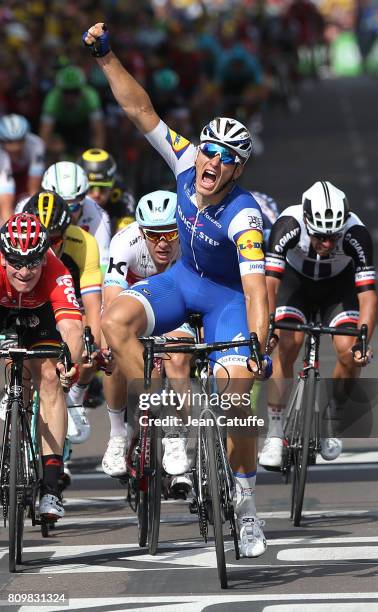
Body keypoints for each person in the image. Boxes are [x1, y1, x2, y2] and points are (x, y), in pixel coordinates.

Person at [83, 22, 272, 558]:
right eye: (210, 150)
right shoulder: (187, 159)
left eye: (225, 158)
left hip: (227, 300)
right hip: (180, 283)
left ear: (236, 170)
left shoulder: (245, 217)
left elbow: (256, 291)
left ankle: (247, 504)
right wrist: (105, 57)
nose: (211, 162)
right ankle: (156, 417)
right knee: (116, 321)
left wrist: (256, 345)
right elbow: (142, 111)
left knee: (237, 402)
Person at [260, 180, 377, 468]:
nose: (327, 244)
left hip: (338, 290)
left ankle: (332, 416)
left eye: (333, 237)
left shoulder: (356, 233)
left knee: (349, 351)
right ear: (307, 222)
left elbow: (368, 296)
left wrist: (364, 343)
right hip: (295, 284)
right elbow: (270, 285)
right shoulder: (288, 223)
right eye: (320, 237)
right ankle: (275, 432)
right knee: (288, 344)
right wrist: (268, 327)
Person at [102, 189, 193, 495]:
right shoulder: (123, 242)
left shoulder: (191, 242)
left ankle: (176, 437)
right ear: (142, 232)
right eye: (154, 235)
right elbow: (112, 302)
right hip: (135, 302)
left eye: (169, 232)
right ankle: (117, 434)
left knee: (179, 358)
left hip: (180, 302)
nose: (163, 242)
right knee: (113, 354)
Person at [0, 212, 83, 519]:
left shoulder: (56, 272)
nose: (24, 271)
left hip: (41, 317)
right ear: (4, 257)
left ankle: (50, 488)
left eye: (32, 262)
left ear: (44, 259)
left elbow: (72, 327)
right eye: (16, 263)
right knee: (14, 364)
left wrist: (70, 362)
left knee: (49, 376)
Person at [24, 190, 102, 444]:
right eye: (40, 240)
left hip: (68, 305)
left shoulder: (85, 242)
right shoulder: (15, 239)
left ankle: (73, 398)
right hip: (29, 307)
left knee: (89, 351)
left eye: (55, 240)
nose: (47, 248)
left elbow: (92, 304)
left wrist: (91, 344)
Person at [40, 161, 111, 272]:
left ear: (83, 199)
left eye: (72, 207)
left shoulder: (99, 215)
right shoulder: (26, 209)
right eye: (57, 207)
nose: (65, 214)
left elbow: (103, 267)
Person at [39, 65, 105, 158]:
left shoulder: (91, 97)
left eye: (75, 91)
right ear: (59, 90)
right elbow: (44, 137)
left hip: (83, 127)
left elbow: (99, 133)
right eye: (66, 92)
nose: (70, 97)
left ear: (82, 90)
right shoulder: (52, 99)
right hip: (61, 128)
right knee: (52, 149)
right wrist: (52, 149)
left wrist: (96, 156)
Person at [78, 148, 136, 235]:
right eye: (90, 187)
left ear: (112, 185)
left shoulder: (122, 194)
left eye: (102, 187)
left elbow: (125, 238)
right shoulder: (70, 196)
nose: (96, 194)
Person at [0, 114, 45, 202]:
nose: (15, 147)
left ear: (26, 137)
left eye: (20, 140)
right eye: (9, 142)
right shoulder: (2, 156)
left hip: (26, 178)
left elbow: (33, 188)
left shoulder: (36, 143)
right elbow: (6, 204)